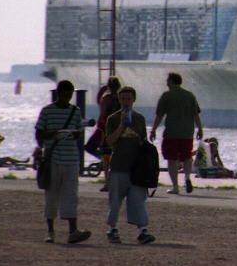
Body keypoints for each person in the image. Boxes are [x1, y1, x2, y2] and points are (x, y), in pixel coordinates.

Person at [35, 80, 91, 244]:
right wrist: (55, 135)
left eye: (70, 94)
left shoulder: (75, 111)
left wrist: (75, 134)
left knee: (71, 195)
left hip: (71, 158)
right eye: (65, 94)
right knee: (51, 194)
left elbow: (79, 131)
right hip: (53, 159)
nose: (67, 97)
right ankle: (50, 231)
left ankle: (73, 230)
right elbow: (39, 135)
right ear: (58, 93)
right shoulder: (47, 111)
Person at [103, 86, 155, 245]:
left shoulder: (139, 118)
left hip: (136, 168)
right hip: (118, 166)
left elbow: (143, 142)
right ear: (119, 100)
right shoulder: (112, 119)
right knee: (115, 201)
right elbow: (110, 141)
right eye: (123, 98)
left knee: (138, 200)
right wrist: (121, 126)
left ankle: (142, 231)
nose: (126, 101)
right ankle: (112, 229)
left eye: (128, 98)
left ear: (134, 99)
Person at [150, 72, 204, 195]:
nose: (166, 83)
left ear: (172, 81)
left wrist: (153, 130)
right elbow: (196, 114)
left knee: (171, 158)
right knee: (187, 157)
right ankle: (187, 178)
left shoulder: (167, 96)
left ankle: (175, 186)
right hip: (187, 133)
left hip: (172, 133)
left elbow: (159, 115)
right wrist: (200, 129)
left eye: (167, 80)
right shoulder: (190, 95)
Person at [95, 76, 123, 191]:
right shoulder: (122, 98)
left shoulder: (106, 99)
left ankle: (108, 183)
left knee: (106, 158)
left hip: (108, 131)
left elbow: (102, 115)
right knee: (119, 156)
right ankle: (119, 182)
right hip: (120, 130)